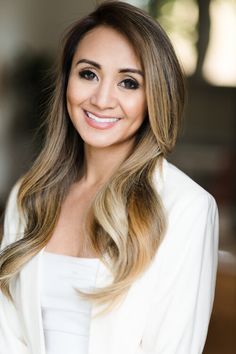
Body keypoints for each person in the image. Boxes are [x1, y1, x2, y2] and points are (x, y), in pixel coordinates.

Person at [0, 1, 219, 354]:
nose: (102, 99)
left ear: (155, 98)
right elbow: (7, 338)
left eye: (129, 82)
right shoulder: (29, 198)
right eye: (88, 74)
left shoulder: (187, 208)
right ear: (67, 80)